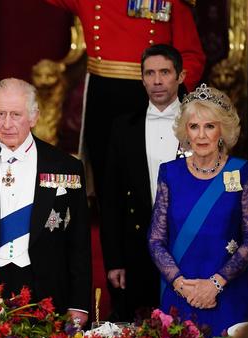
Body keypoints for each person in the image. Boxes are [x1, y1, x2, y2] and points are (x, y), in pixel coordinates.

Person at [0, 78, 91, 325]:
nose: (6, 124)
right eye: (0, 114)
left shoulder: (65, 166)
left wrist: (79, 303)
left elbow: (79, 241)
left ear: (34, 117)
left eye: (15, 114)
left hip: (45, 286)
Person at [42, 0, 205, 208]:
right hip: (102, 104)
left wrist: (173, 96)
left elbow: (191, 55)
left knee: (154, 188)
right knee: (108, 190)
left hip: (153, 102)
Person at [148, 84, 248, 336]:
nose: (201, 135)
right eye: (194, 126)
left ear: (222, 130)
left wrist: (216, 283)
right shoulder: (170, 172)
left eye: (210, 126)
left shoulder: (241, 171)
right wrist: (180, 284)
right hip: (181, 293)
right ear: (185, 131)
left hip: (230, 293)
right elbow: (155, 239)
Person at [100, 44, 187, 322]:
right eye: (150, 73)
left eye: (165, 72)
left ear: (180, 76)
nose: (157, 80)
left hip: (187, 244)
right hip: (137, 249)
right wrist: (114, 261)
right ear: (142, 78)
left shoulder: (201, 123)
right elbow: (110, 199)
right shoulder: (123, 127)